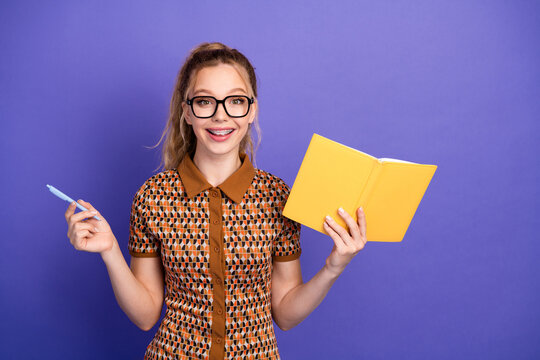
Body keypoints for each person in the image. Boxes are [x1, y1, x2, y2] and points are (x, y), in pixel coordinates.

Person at [64, 42, 367, 360]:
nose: (221, 116)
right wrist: (110, 250)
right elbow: (145, 315)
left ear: (252, 110)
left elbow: (286, 314)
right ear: (187, 112)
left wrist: (333, 267)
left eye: (236, 101)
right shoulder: (152, 198)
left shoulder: (277, 196)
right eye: (205, 102)